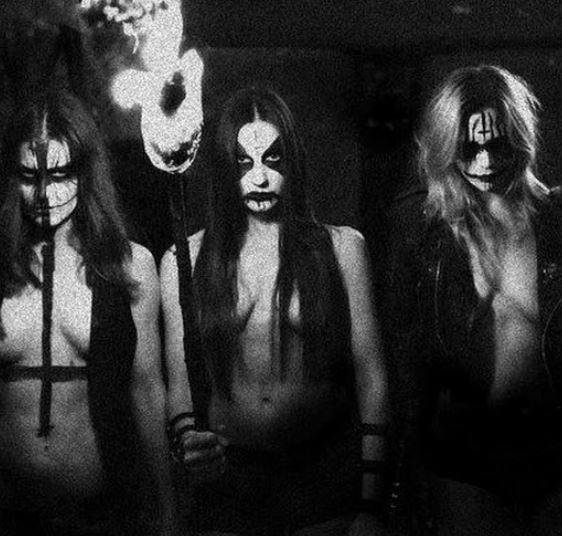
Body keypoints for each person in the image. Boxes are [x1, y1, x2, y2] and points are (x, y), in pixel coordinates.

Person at [385, 65, 562, 535]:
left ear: (520, 136)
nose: (485, 161)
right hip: (464, 460)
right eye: (468, 148)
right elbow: (404, 360)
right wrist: (408, 473)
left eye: (497, 143)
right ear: (445, 147)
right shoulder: (419, 231)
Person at [161, 86, 388, 536]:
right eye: (244, 164)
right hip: (230, 481)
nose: (260, 179)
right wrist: (188, 440)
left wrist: (371, 504)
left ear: (293, 162)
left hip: (324, 477)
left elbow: (373, 378)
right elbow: (179, 379)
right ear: (225, 169)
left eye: (273, 160)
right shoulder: (184, 260)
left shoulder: (342, 248)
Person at [0, 89, 178, 535]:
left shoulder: (130, 266)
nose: (45, 194)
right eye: (30, 176)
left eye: (61, 174)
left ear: (85, 172)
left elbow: (147, 392)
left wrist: (167, 514)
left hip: (102, 516)